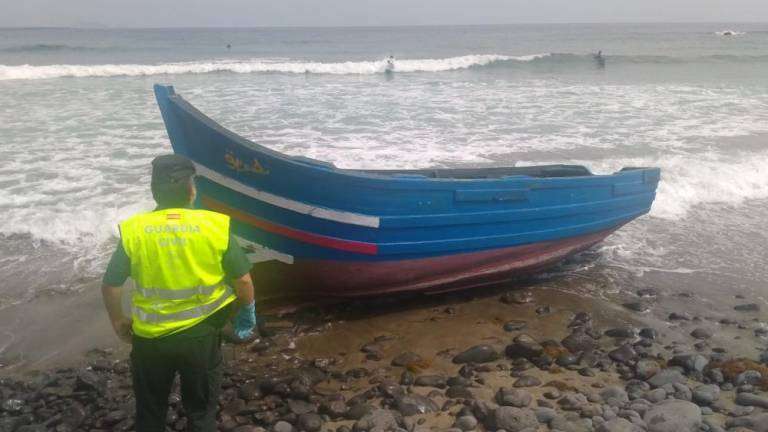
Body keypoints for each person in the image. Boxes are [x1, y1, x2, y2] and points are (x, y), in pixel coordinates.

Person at [101, 154, 257, 432]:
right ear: (191, 190)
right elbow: (243, 281)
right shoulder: (215, 226)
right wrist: (247, 312)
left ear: (154, 190)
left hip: (150, 340)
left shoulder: (134, 230)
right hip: (200, 337)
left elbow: (111, 285)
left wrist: (118, 321)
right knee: (200, 412)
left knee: (150, 413)